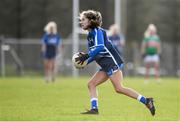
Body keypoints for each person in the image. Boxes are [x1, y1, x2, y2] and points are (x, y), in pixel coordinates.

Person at [75, 10, 155, 116]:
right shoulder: (90, 35)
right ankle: (94, 109)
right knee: (91, 84)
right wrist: (85, 62)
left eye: (84, 20)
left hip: (112, 63)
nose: (81, 22)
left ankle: (146, 101)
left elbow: (100, 47)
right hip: (105, 65)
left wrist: (86, 56)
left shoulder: (98, 31)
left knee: (119, 88)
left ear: (90, 21)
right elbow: (94, 54)